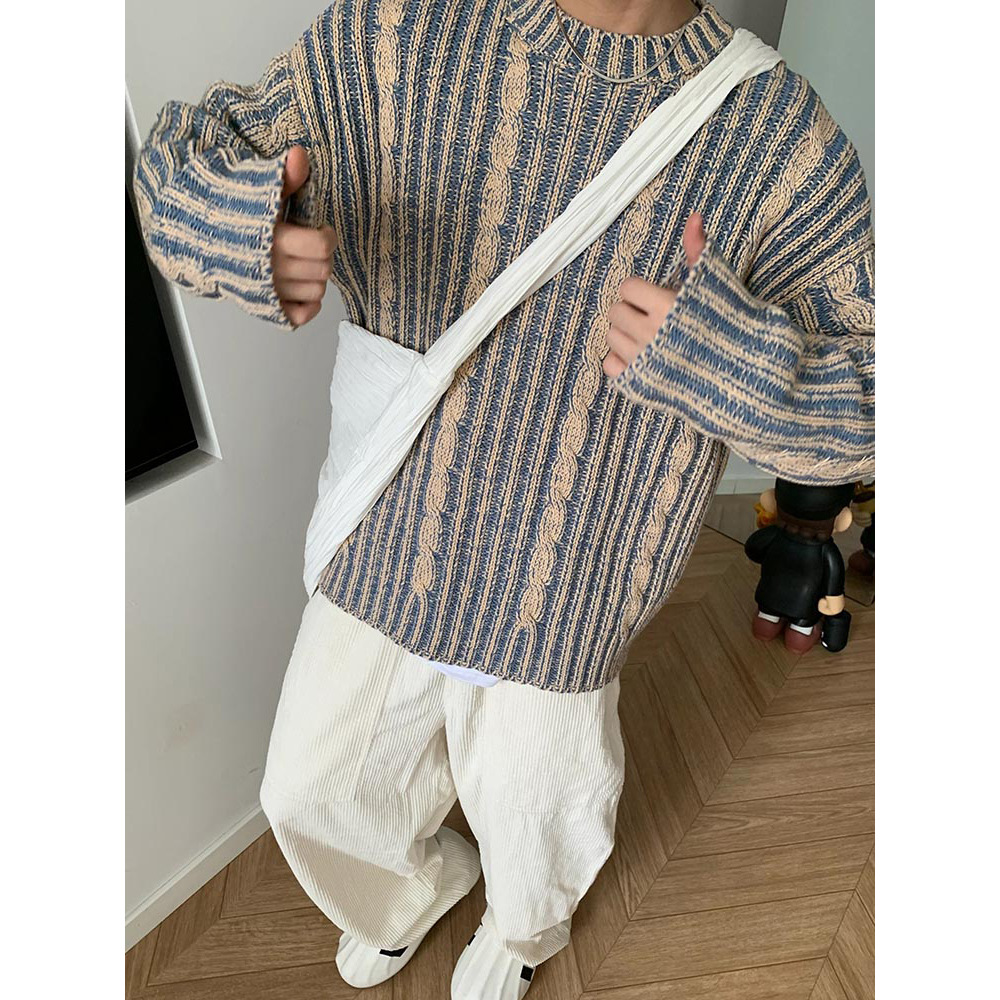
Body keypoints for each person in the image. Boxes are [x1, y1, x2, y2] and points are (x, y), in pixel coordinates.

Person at [132, 1, 875, 996]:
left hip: (577, 571)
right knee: (311, 787)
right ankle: (410, 892)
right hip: (391, 532)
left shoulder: (783, 141)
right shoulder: (397, 30)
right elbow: (181, 156)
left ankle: (522, 934)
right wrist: (235, 224)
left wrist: (733, 365)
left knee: (540, 813)